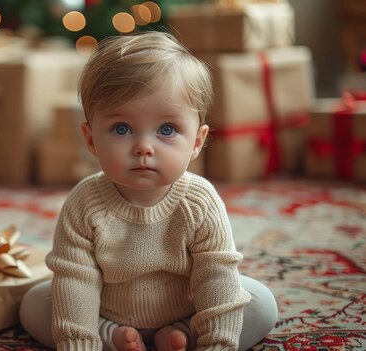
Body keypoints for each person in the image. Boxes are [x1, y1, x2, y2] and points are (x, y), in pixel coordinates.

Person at [19, 31, 278, 351]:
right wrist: (81, 342)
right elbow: (76, 279)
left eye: (167, 130)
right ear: (90, 140)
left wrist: (217, 343)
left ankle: (181, 333)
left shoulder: (200, 201)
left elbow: (216, 275)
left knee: (260, 302)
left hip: (187, 308)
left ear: (197, 141)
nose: (143, 147)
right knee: (34, 303)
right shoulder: (84, 202)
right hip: (106, 310)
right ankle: (112, 336)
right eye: (122, 129)